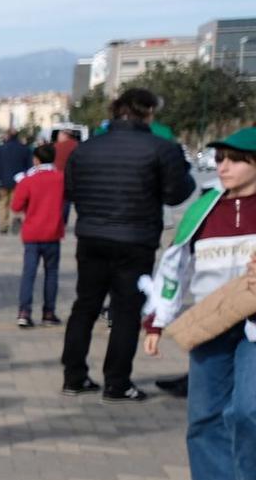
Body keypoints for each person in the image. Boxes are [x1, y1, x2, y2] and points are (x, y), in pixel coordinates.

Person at [140, 128, 256, 480]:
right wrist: (157, 321)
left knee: (248, 409)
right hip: (210, 321)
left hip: (255, 324)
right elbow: (174, 267)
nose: (222, 166)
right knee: (205, 412)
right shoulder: (203, 208)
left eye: (233, 159)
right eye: (220, 158)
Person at [60, 87, 195, 401]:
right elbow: (177, 193)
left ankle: (74, 376)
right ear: (148, 112)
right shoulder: (161, 148)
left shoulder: (85, 149)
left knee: (85, 306)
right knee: (125, 312)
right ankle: (117, 381)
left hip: (91, 235)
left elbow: (70, 192)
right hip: (135, 239)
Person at [11, 142, 65, 327]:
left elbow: (16, 206)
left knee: (29, 274)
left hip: (32, 233)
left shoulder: (28, 180)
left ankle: (24, 312)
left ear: (36, 159)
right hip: (53, 232)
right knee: (52, 274)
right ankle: (49, 313)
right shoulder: (61, 178)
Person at [0, 128, 34, 232]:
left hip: (2, 180)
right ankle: (12, 222)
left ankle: (3, 225)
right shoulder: (25, 149)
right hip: (19, 181)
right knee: (15, 202)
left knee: (2, 203)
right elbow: (29, 166)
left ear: (7, 136)